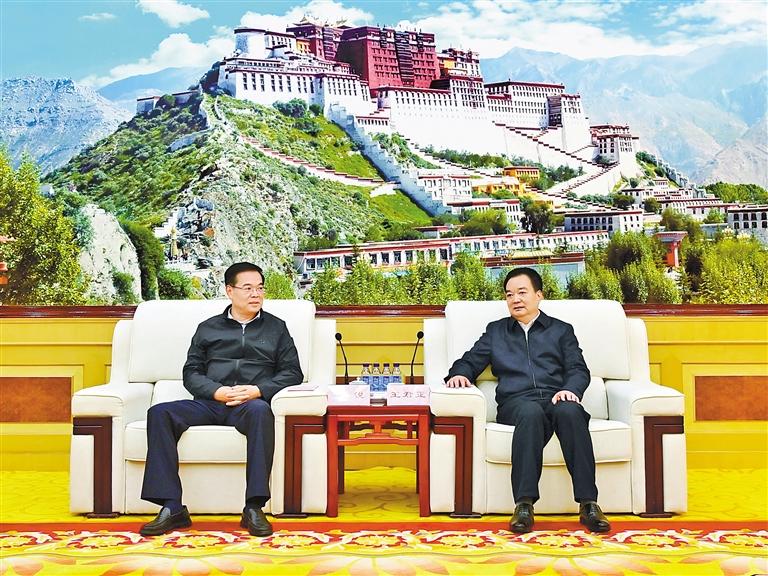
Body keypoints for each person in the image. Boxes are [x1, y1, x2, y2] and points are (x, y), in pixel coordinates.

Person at [139, 262, 303, 537]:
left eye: (260, 288)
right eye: (248, 288)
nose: (256, 294)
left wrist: (258, 390)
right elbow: (191, 372)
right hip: (211, 402)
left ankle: (253, 507)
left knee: (261, 412)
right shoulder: (208, 328)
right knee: (159, 412)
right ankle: (172, 507)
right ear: (229, 291)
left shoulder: (276, 328)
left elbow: (292, 372)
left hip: (249, 405)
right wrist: (216, 391)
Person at [444, 267, 611, 534]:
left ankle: (589, 504)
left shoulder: (561, 330)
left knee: (570, 412)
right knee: (531, 412)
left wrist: (570, 390)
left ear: (539, 295)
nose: (515, 299)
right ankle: (524, 505)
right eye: (509, 295)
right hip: (517, 401)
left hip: (556, 397)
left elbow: (578, 369)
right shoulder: (496, 331)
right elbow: (470, 360)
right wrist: (460, 374)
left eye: (522, 292)